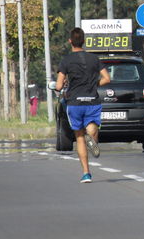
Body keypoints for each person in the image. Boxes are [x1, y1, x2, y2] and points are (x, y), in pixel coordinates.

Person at [55, 27, 110, 183]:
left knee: (78, 137)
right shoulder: (94, 59)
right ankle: (91, 137)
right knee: (92, 127)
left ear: (70, 41)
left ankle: (86, 173)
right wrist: (93, 83)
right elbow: (107, 78)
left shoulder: (66, 61)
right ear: (84, 41)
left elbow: (59, 86)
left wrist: (61, 85)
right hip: (92, 100)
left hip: (75, 102)